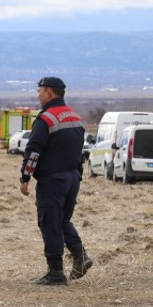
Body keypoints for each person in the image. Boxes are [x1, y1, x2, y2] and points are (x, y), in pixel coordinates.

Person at [19, 76, 91, 285]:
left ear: (49, 92)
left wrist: (25, 177)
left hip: (53, 180)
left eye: (40, 91)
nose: (38, 95)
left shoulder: (46, 119)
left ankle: (55, 273)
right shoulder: (73, 116)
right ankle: (80, 256)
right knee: (62, 221)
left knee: (49, 222)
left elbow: (33, 151)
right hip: (72, 178)